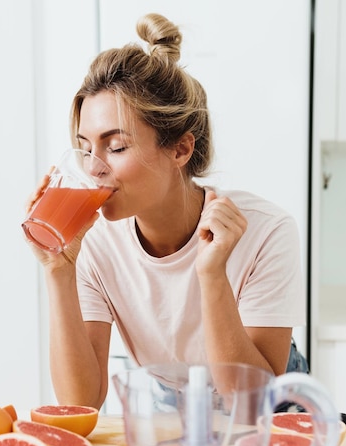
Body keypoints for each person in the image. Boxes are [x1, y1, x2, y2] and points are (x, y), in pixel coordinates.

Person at [26, 13, 307, 411]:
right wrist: (58, 269)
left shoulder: (265, 231)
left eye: (116, 147)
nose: (93, 168)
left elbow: (250, 404)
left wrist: (211, 276)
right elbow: (80, 402)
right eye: (86, 148)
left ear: (180, 149)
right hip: (170, 400)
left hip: (270, 402)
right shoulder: (92, 243)